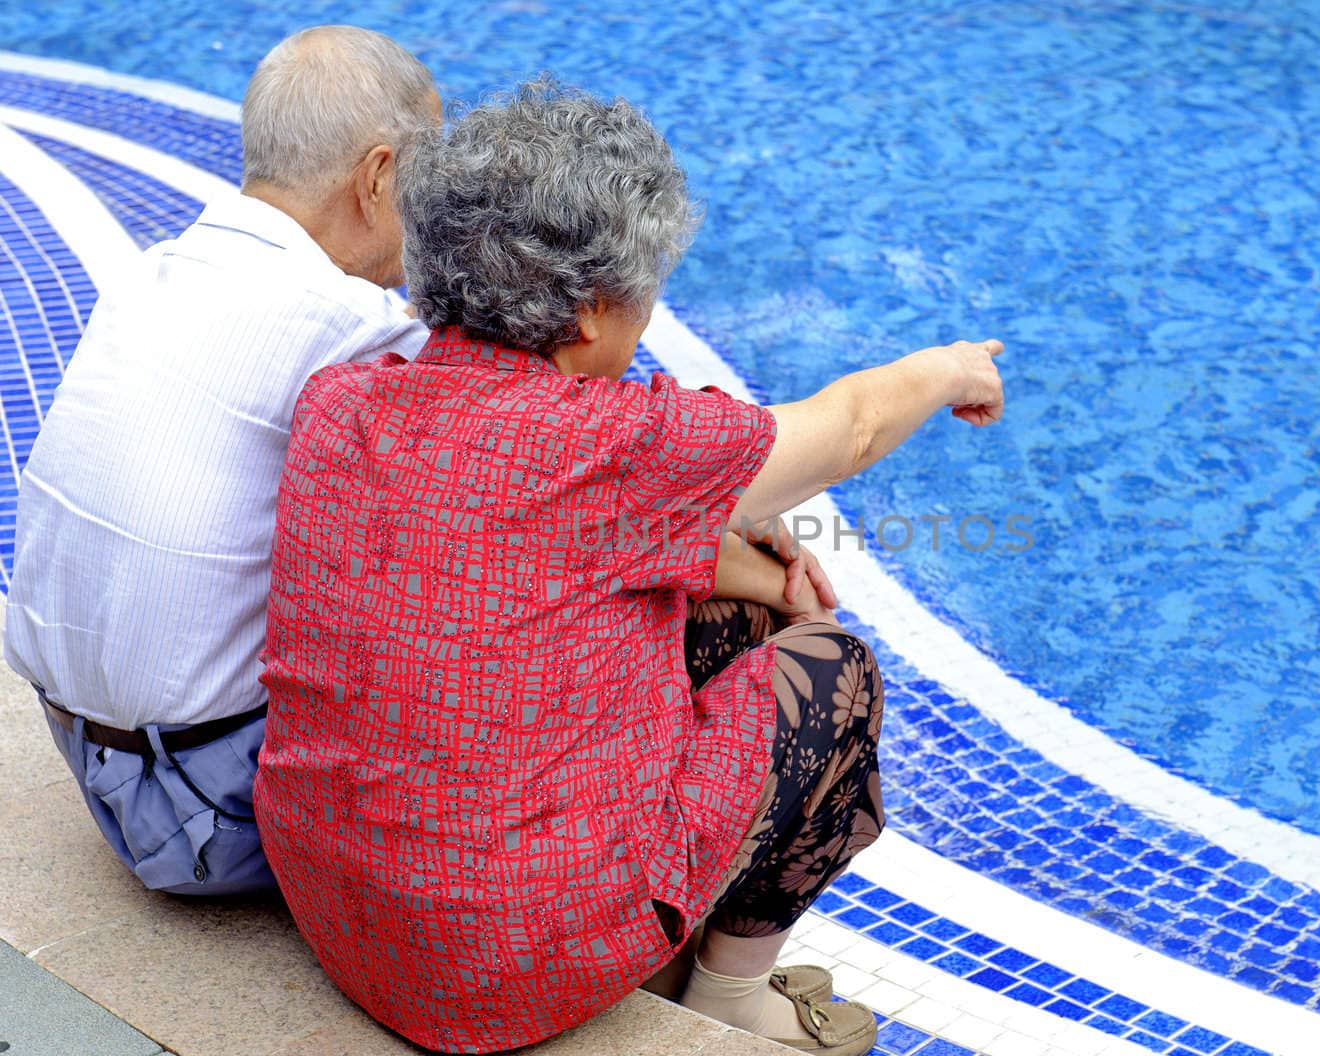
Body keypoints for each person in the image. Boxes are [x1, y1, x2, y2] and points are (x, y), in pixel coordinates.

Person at [253, 79, 1004, 1055]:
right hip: (500, 971)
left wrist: (742, 573)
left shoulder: (343, 402)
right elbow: (852, 427)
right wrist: (951, 368)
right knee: (831, 671)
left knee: (734, 621)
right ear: (591, 313)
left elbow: (521, 562)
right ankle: (730, 999)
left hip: (336, 909)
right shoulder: (611, 443)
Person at [2, 25, 441, 895]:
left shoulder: (155, 270)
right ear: (378, 174)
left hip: (85, 756)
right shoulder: (348, 328)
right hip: (207, 809)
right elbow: (546, 463)